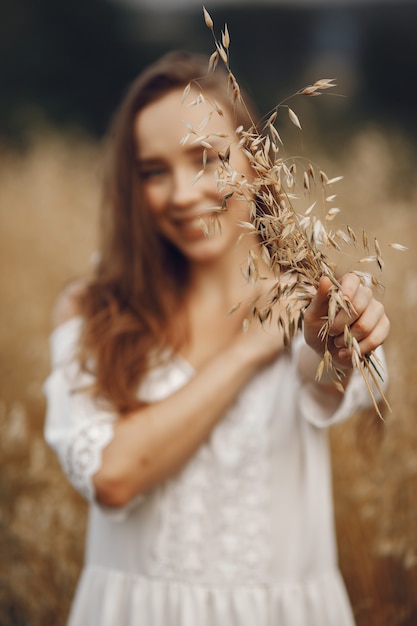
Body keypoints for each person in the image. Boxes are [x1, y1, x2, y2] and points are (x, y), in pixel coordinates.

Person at [44, 51, 390, 626]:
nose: (181, 193)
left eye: (205, 158)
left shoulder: (313, 299)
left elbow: (334, 379)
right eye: (154, 172)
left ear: (256, 163)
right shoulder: (92, 309)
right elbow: (113, 476)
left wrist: (341, 343)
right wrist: (251, 348)